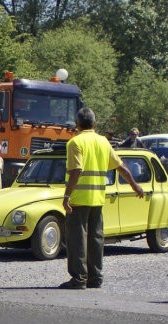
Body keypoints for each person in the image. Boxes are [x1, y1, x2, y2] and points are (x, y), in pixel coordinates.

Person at [60, 107, 144, 289]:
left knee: (77, 240)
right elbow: (120, 167)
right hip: (98, 199)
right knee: (96, 239)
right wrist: (134, 185)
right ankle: (95, 277)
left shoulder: (74, 143)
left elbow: (76, 170)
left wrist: (66, 196)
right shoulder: (103, 142)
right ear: (95, 123)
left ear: (77, 124)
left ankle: (79, 279)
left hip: (78, 199)